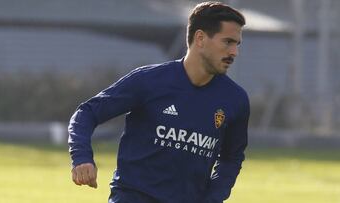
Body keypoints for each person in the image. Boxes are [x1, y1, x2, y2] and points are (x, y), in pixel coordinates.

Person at [68, 1, 249, 203]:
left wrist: (213, 198)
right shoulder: (149, 81)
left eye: (237, 44)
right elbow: (87, 113)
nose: (234, 52)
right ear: (200, 38)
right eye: (228, 42)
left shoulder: (235, 99)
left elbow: (231, 159)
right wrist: (82, 157)